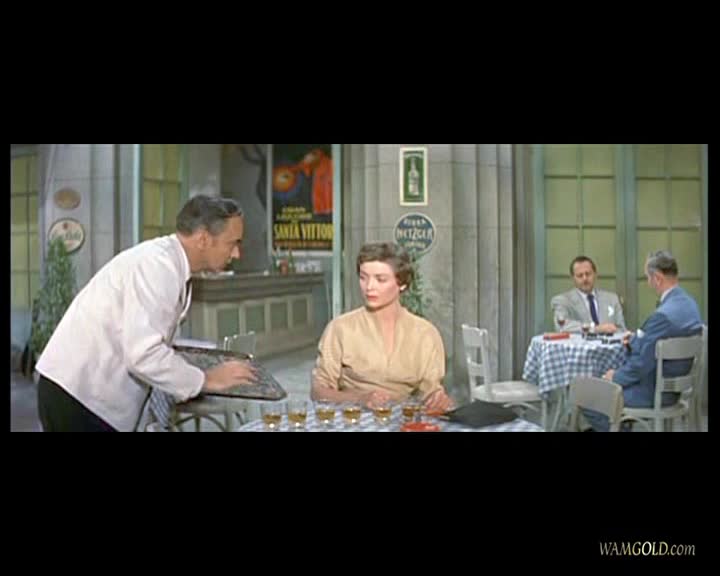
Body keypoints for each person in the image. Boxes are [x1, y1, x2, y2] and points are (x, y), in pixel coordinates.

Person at [35, 195, 257, 432]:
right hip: (79, 397)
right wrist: (208, 379)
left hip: (90, 398)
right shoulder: (158, 266)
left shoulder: (171, 264)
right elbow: (143, 354)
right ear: (203, 239)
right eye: (232, 243)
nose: (236, 254)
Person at [311, 242, 453, 412]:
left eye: (380, 279)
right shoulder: (340, 329)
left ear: (402, 283)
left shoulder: (425, 334)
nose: (369, 287)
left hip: (401, 420)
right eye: (363, 278)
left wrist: (438, 400)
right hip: (352, 419)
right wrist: (359, 399)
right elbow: (318, 391)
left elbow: (431, 391)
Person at [586, 250, 703, 431]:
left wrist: (615, 377)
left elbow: (641, 364)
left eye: (648, 278)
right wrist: (636, 340)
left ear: (657, 278)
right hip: (677, 389)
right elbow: (657, 343)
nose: (648, 283)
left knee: (589, 397)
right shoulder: (690, 304)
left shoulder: (662, 316)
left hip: (654, 392)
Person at [551, 256, 626, 334]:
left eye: (588, 274)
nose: (585, 278)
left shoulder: (612, 299)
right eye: (580, 275)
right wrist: (595, 329)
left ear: (595, 274)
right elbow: (562, 327)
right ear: (573, 278)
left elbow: (622, 329)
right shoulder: (562, 301)